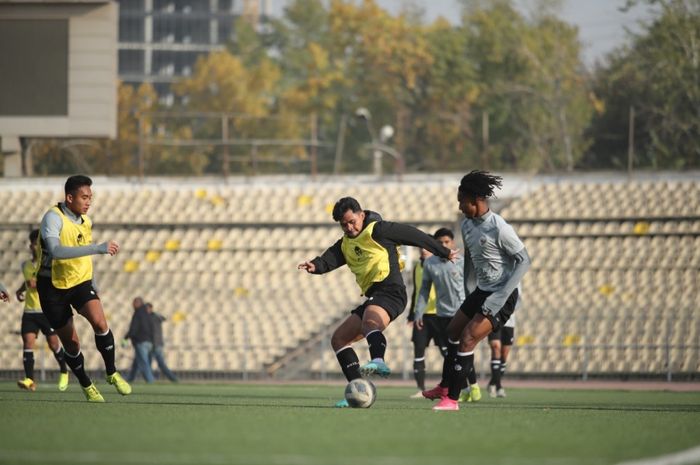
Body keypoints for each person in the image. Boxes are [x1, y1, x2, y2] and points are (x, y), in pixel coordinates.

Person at [298, 197, 457, 407]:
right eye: (344, 224)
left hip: (391, 292)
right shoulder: (346, 243)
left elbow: (414, 235)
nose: (349, 227)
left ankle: (378, 360)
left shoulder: (379, 231)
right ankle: (358, 389)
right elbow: (329, 259)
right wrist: (315, 266)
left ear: (362, 214)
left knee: (370, 321)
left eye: (352, 221)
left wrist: (442, 251)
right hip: (374, 296)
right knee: (339, 339)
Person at [429, 171, 530, 411]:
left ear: (475, 200)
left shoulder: (500, 228)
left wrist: (501, 296)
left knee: (467, 339)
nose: (460, 207)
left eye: (462, 201)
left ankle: (452, 399)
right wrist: (469, 291)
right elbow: (471, 262)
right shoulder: (466, 226)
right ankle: (444, 386)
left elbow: (524, 260)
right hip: (480, 291)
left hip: (501, 296)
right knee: (451, 331)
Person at [37, 174, 131, 402]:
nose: (88, 202)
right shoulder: (53, 218)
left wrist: (94, 283)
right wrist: (97, 248)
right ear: (70, 198)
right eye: (84, 197)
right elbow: (56, 251)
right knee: (72, 343)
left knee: (100, 322)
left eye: (90, 197)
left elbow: (82, 257)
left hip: (79, 281)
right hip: (52, 287)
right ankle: (86, 384)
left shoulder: (86, 221)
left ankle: (111, 372)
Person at [15, 229, 70, 392]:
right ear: (30, 246)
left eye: (37, 243)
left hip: (46, 310)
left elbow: (54, 283)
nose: (35, 246)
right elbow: (28, 282)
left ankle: (63, 370)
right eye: (33, 243)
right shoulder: (25, 265)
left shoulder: (48, 264)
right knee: (28, 343)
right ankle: (30, 380)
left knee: (53, 344)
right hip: (30, 312)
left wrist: (38, 284)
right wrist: (21, 290)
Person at [407, 247, 437, 398]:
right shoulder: (417, 267)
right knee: (418, 352)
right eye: (421, 248)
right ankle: (421, 389)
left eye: (427, 248)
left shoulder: (440, 265)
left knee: (448, 352)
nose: (424, 250)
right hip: (421, 317)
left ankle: (456, 386)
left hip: (440, 315)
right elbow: (416, 291)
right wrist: (411, 314)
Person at [487, 287, 520, 398]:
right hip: (493, 319)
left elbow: (519, 301)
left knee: (504, 355)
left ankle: (493, 382)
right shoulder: (494, 276)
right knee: (496, 347)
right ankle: (498, 386)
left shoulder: (517, 279)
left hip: (509, 321)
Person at [123, 297, 155, 383]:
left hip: (141, 341)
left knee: (144, 362)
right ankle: (130, 378)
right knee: (137, 362)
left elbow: (134, 328)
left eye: (134, 303)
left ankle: (150, 381)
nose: (132, 305)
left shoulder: (138, 313)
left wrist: (126, 337)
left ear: (138, 303)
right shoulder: (148, 314)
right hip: (148, 341)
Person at [147, 302, 178, 382]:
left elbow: (154, 331)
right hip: (156, 343)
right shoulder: (153, 317)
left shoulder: (153, 317)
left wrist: (153, 343)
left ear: (150, 308)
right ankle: (173, 379)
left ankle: (150, 380)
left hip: (155, 344)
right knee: (159, 364)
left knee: (152, 363)